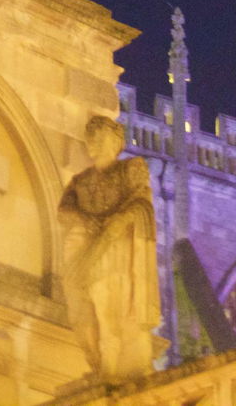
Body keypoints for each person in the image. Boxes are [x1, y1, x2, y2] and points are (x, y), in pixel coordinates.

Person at [58, 115, 163, 381]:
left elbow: (142, 202)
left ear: (115, 141)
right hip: (83, 251)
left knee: (108, 312)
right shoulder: (79, 180)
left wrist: (116, 223)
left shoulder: (130, 168)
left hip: (115, 248)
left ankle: (111, 370)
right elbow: (64, 210)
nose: (93, 142)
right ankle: (98, 365)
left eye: (100, 136)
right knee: (82, 317)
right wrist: (85, 221)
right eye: (90, 137)